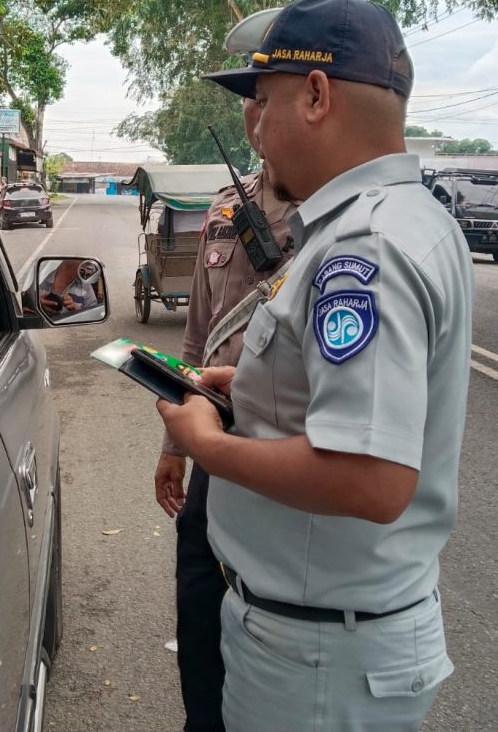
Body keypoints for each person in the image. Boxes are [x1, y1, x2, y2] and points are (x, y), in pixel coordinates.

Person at [157, 0, 473, 732]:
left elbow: (370, 478)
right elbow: (352, 402)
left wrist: (209, 445)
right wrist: (257, 390)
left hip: (316, 660)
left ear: (317, 95)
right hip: (326, 636)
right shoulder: (407, 219)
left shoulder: (362, 248)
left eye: (261, 101)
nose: (253, 126)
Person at [154, 90, 298, 732]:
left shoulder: (332, 219)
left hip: (286, 453)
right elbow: (197, 335)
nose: (255, 113)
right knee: (199, 603)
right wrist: (174, 448)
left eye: (267, 97)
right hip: (215, 435)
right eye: (248, 100)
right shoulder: (222, 208)